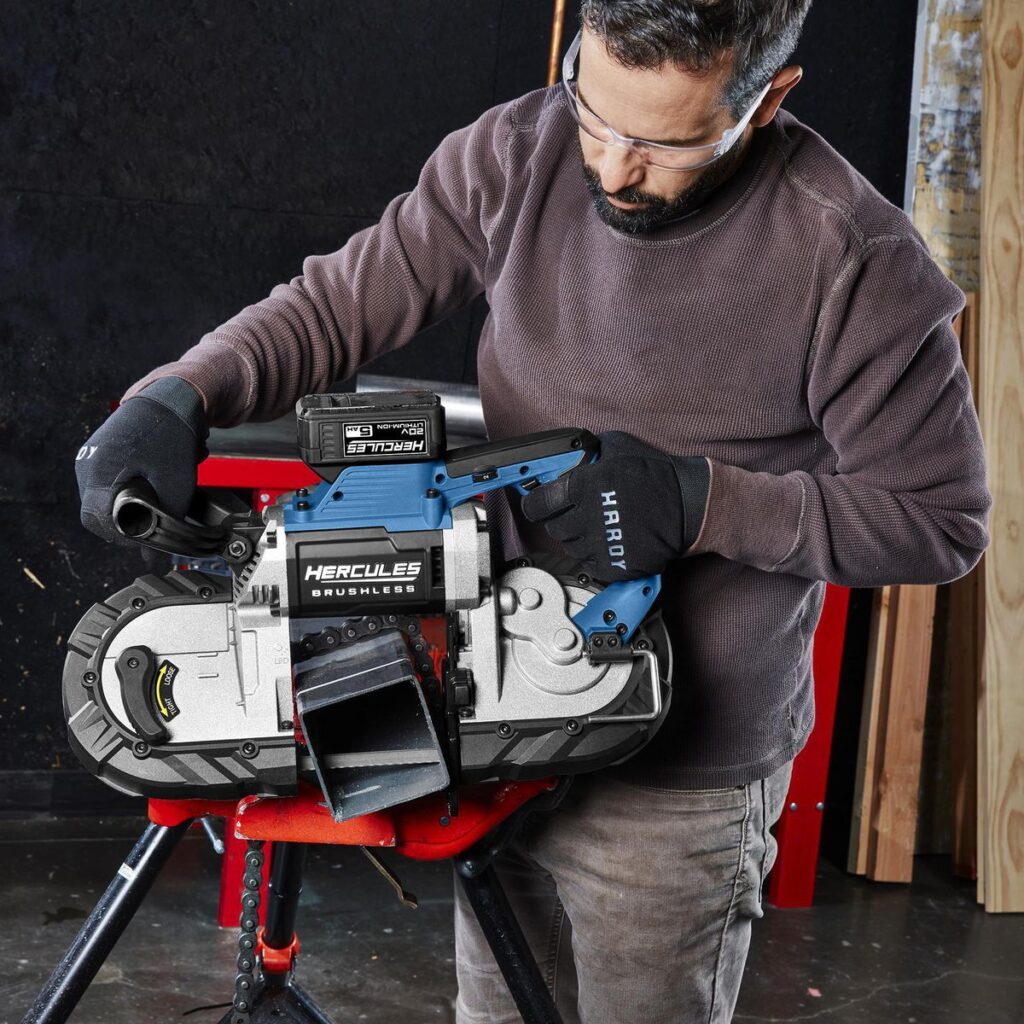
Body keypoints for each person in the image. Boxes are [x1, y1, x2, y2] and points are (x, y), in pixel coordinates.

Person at [74, 1, 991, 1021]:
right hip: (497, 713)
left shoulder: (854, 259)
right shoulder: (519, 150)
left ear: (767, 100)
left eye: (664, 145)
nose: (612, 168)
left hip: (676, 780)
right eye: (595, 114)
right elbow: (335, 305)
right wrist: (182, 395)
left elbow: (942, 521)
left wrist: (704, 502)